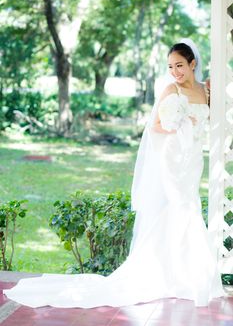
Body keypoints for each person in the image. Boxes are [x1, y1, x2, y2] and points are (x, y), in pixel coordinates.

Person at [4, 38, 225, 308]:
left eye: (180, 65)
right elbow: (154, 126)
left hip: (192, 162)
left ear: (193, 64)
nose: (175, 71)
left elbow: (214, 118)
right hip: (172, 160)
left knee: (185, 207)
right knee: (183, 209)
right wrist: (178, 125)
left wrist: (213, 97)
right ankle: (186, 278)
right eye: (170, 66)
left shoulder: (204, 91)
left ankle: (178, 276)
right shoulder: (170, 90)